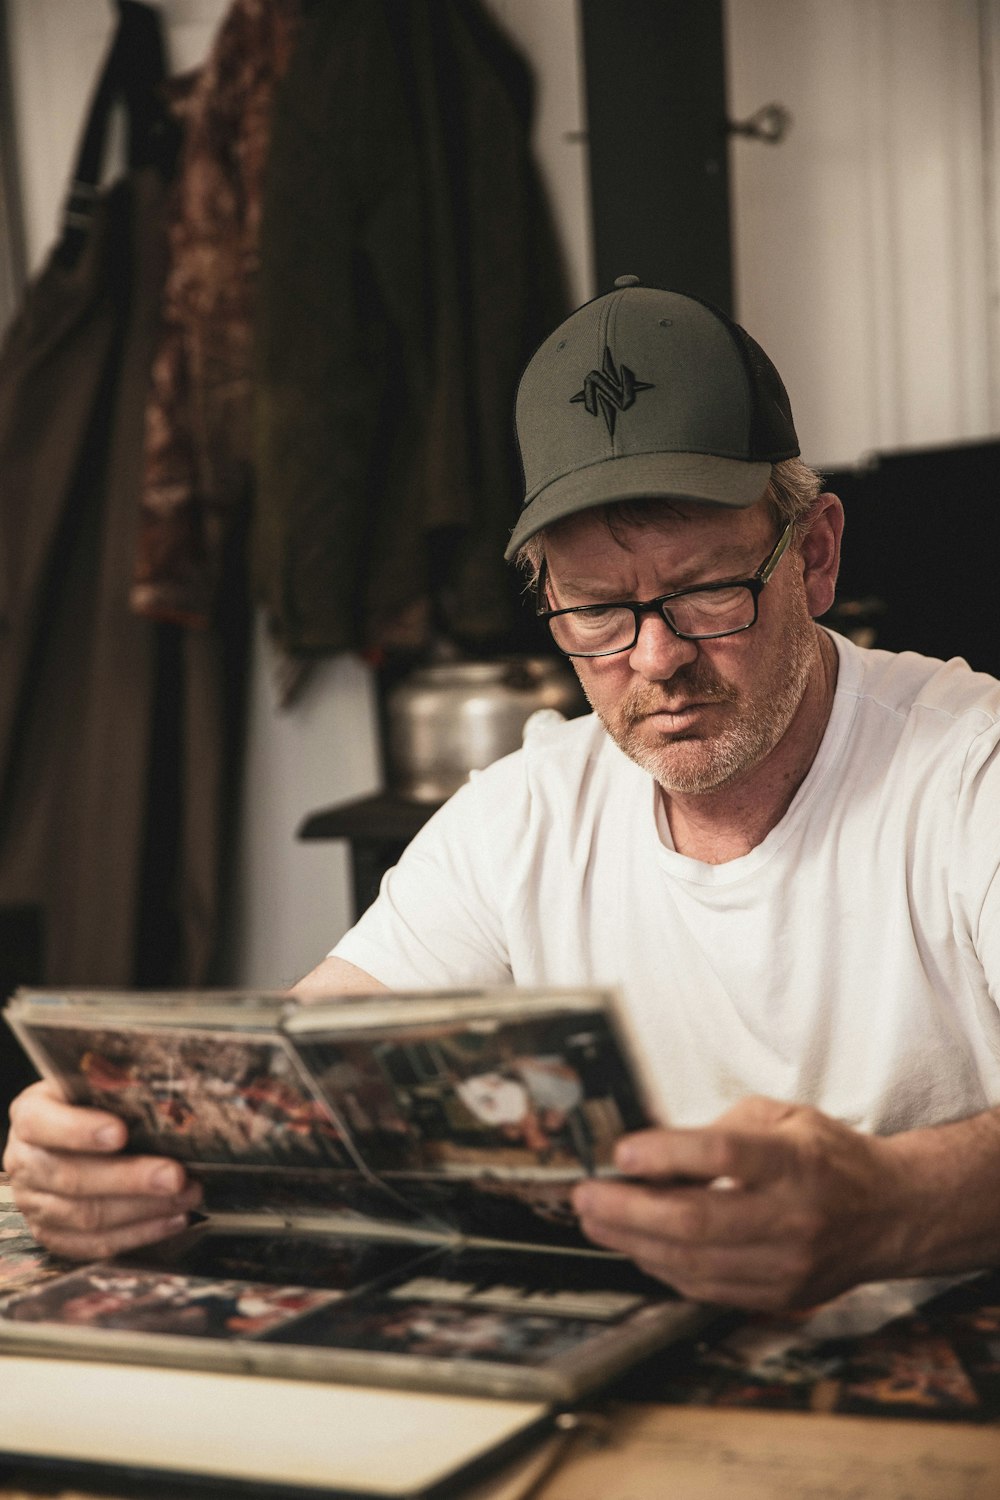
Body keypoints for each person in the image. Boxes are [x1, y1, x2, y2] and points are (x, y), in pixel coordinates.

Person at [7, 278, 1000, 1313]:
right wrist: (99, 1151)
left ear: (816, 555)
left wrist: (889, 1206)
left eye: (708, 588)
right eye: (598, 610)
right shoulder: (521, 815)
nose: (656, 657)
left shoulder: (969, 770)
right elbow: (285, 1072)